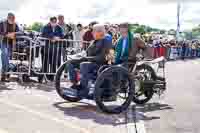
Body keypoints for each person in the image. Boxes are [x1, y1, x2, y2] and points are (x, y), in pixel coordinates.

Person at [67, 24, 112, 98]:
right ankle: (75, 83)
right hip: (90, 61)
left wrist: (87, 58)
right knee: (70, 61)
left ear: (100, 32)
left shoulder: (106, 42)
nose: (92, 33)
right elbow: (86, 52)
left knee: (84, 64)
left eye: (94, 31)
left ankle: (84, 89)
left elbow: (104, 57)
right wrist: (76, 57)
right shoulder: (93, 41)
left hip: (100, 65)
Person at [41, 17, 64, 81]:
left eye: (55, 22)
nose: (54, 23)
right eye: (53, 22)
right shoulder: (46, 27)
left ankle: (52, 77)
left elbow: (62, 35)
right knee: (45, 63)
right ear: (50, 21)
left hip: (55, 49)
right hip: (46, 49)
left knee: (53, 63)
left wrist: (58, 38)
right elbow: (44, 34)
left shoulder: (59, 27)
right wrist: (53, 37)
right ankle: (44, 76)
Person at [0, 13, 19, 81]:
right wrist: (7, 35)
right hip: (3, 42)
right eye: (10, 18)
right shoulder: (2, 23)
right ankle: (5, 73)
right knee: (4, 54)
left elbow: (19, 32)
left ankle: (5, 73)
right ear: (8, 18)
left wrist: (14, 34)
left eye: (13, 19)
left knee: (7, 57)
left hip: (11, 44)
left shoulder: (15, 24)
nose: (12, 20)